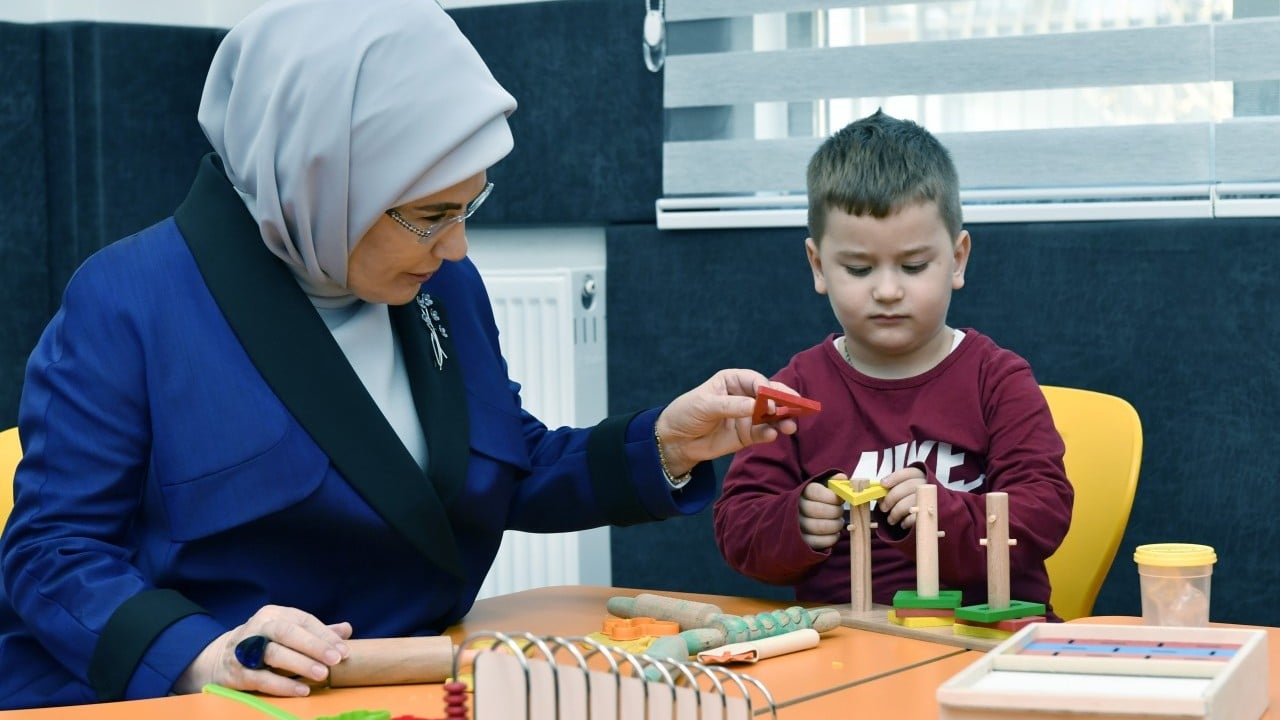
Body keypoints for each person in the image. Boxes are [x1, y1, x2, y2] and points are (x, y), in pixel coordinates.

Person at [0, 0, 800, 709]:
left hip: (408, 686)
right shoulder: (128, 301)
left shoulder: (441, 285)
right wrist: (201, 655)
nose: (456, 246)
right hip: (220, 701)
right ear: (320, 179)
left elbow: (504, 466)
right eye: (429, 214)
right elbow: (51, 554)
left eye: (469, 205)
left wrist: (666, 444)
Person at [712, 110, 1073, 618]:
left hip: (985, 640)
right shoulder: (794, 389)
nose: (886, 290)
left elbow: (1044, 512)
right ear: (818, 266)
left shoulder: (998, 380)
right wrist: (794, 519)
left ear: (959, 259)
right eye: (859, 268)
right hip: (848, 647)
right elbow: (737, 525)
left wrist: (940, 513)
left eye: (913, 266)